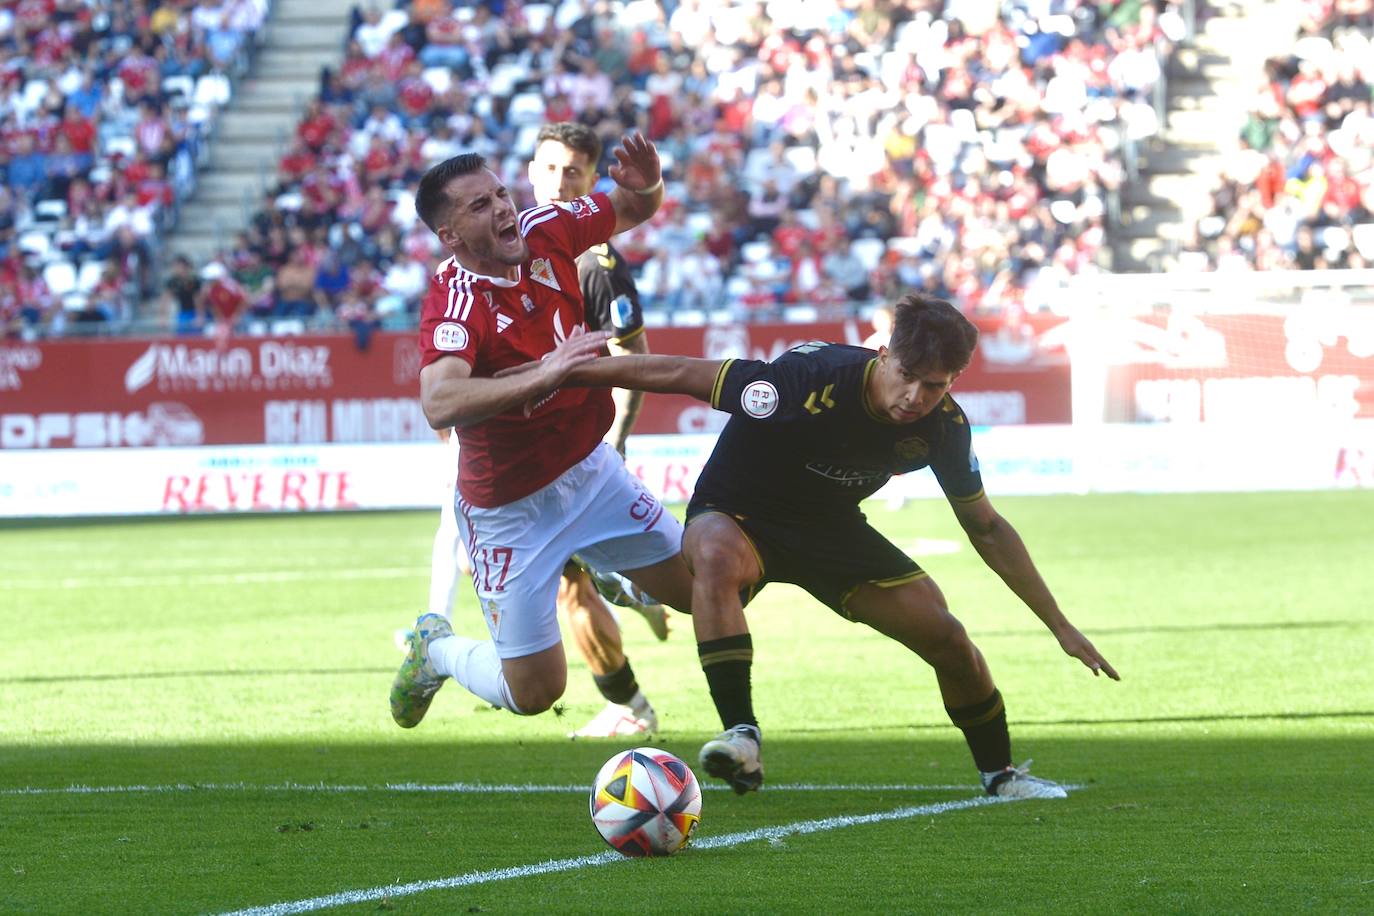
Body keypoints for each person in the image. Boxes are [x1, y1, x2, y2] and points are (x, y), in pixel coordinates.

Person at [503, 293, 1119, 798]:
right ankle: (741, 736)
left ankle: (1002, 776)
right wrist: (564, 370)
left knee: (948, 638)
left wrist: (1059, 625)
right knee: (713, 559)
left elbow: (986, 527)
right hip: (741, 512)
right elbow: (679, 373)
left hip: (829, 529)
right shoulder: (809, 379)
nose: (914, 397)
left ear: (952, 382)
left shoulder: (943, 426)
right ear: (884, 354)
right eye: (906, 377)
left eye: (933, 386)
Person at [391, 136, 696, 730]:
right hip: (509, 509)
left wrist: (649, 181)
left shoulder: (547, 227)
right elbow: (440, 400)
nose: (504, 208)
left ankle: (706, 716)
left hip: (590, 471)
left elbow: (635, 206)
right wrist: (545, 373)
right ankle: (436, 651)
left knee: (698, 590)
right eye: (479, 207)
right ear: (450, 236)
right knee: (534, 690)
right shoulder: (454, 299)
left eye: (500, 193)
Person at [526, 121, 669, 739]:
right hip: (534, 453)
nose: (559, 184)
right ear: (531, 170)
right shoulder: (516, 246)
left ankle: (629, 704)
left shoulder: (595, 260)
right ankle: (637, 588)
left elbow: (630, 356)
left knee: (568, 591)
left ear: (592, 181)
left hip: (576, 455)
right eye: (550, 168)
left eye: (574, 173)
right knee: (572, 585)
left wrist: (613, 442)